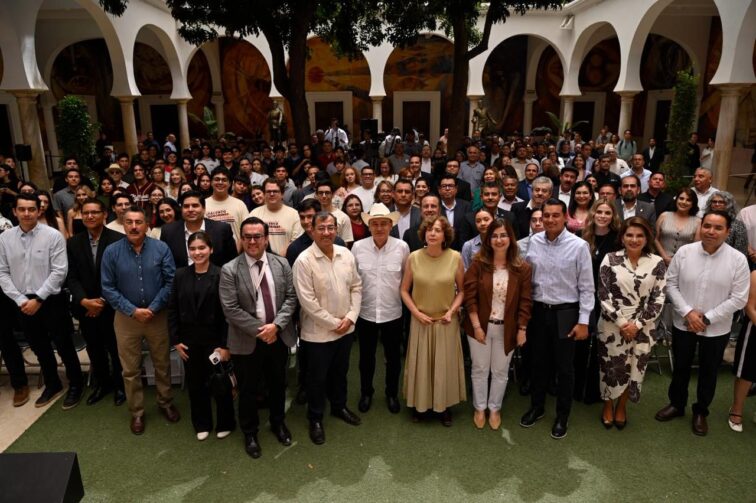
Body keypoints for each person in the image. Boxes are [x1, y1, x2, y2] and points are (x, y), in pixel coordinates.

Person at [655, 211, 749, 436]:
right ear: (701, 227)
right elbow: (670, 284)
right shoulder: (684, 252)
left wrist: (707, 318)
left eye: (718, 228)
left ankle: (701, 411)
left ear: (727, 231)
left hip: (716, 328)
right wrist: (688, 313)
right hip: (684, 323)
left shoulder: (738, 259)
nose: (711, 231)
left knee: (709, 371)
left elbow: (739, 298)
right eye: (707, 226)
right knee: (681, 367)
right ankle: (677, 404)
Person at [218, 218, 297, 457]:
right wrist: (262, 330)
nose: (252, 241)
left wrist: (276, 326)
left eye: (257, 236)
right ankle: (250, 432)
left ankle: (278, 423)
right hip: (247, 340)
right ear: (241, 239)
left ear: (266, 239)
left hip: (278, 337)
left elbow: (291, 298)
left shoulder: (282, 263)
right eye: (247, 237)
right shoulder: (230, 269)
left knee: (278, 385)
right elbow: (230, 309)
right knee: (248, 389)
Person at [0, 194, 84, 409]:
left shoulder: (52, 236)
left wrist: (38, 299)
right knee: (39, 346)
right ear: (15, 212)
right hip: (22, 303)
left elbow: (59, 271)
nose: (27, 213)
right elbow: (2, 273)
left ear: (39, 211)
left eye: (31, 209)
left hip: (51, 299)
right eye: (22, 209)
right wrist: (20, 299)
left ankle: (76, 384)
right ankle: (53, 383)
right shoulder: (5, 238)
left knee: (64, 344)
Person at [101, 205, 179, 435]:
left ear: (147, 225)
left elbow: (171, 281)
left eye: (138, 222)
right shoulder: (111, 252)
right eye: (129, 222)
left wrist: (152, 308)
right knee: (130, 369)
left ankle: (165, 402)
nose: (134, 226)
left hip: (157, 316)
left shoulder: (161, 248)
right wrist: (133, 310)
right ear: (123, 224)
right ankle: (137, 412)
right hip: (126, 319)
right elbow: (107, 287)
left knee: (162, 363)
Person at [520, 198, 594, 440]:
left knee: (564, 368)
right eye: (546, 216)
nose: (550, 220)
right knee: (538, 363)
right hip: (539, 312)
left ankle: (562, 415)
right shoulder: (534, 242)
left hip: (566, 313)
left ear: (565, 218)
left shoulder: (579, 246)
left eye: (555, 215)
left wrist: (583, 321)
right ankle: (537, 407)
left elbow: (587, 287)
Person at [293, 212, 363, 445]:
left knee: (340, 372)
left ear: (336, 230)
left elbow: (356, 287)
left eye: (331, 228)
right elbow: (308, 302)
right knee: (317, 378)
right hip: (318, 334)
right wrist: (335, 324)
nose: (326, 232)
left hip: (346, 329)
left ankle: (339, 406)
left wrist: (351, 318)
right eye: (321, 228)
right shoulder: (304, 260)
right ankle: (315, 418)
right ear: (312, 230)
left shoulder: (346, 254)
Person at [597, 217, 666, 429]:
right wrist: (622, 323)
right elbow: (603, 294)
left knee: (635, 368)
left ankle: (622, 406)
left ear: (647, 238)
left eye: (639, 235)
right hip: (612, 325)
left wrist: (637, 324)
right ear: (622, 237)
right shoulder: (610, 259)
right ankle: (608, 404)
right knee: (610, 367)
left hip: (643, 327)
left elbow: (659, 298)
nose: (634, 239)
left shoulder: (657, 262)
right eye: (629, 235)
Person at [463, 218, 532, 430]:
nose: (499, 240)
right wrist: (476, 326)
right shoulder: (478, 264)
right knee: (480, 368)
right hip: (480, 326)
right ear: (488, 239)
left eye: (503, 235)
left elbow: (525, 301)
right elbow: (470, 298)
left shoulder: (522, 268)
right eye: (494, 236)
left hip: (507, 328)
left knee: (501, 371)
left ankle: (494, 408)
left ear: (511, 238)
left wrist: (522, 328)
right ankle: (479, 407)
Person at [401, 215, 466, 426]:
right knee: (421, 366)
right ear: (424, 234)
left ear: (445, 235)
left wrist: (452, 312)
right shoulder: (413, 257)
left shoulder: (455, 257)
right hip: (421, 321)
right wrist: (416, 313)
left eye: (437, 230)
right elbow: (404, 290)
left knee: (444, 366)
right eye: (429, 229)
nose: (432, 233)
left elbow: (462, 291)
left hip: (446, 322)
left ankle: (443, 407)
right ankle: (420, 406)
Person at [66, 198, 125, 406]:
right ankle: (103, 384)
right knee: (94, 347)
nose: (90, 216)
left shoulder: (118, 240)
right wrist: (84, 300)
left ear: (104, 214)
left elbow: (121, 275)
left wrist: (101, 301)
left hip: (111, 306)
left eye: (95, 212)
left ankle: (120, 385)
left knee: (115, 348)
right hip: (85, 307)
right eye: (86, 213)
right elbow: (71, 276)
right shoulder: (73, 242)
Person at [351, 204, 408, 414]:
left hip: (393, 312)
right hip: (365, 312)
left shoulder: (402, 247)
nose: (380, 227)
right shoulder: (358, 247)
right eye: (375, 224)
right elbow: (353, 280)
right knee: (366, 358)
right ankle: (366, 393)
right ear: (369, 226)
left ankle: (391, 394)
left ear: (391, 225)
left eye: (384, 223)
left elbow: (406, 279)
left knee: (393, 358)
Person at [160, 191, 237, 268]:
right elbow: (164, 263)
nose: (190, 209)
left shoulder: (221, 229)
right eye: (186, 206)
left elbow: (232, 262)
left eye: (195, 205)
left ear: (204, 208)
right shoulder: (168, 231)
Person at [728, 269, 756, 432]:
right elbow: (749, 307)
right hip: (754, 330)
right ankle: (736, 410)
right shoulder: (755, 275)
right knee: (747, 372)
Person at [250, 178, 301, 256]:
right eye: (268, 191)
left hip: (287, 260)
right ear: (264, 193)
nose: (272, 194)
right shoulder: (254, 214)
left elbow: (296, 240)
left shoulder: (294, 214)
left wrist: (279, 259)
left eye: (275, 191)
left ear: (282, 194)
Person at [654, 187, 700, 266]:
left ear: (693, 203)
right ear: (676, 200)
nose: (684, 202)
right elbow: (655, 239)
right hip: (659, 261)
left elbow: (696, 246)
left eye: (688, 200)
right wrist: (665, 257)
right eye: (681, 198)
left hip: (684, 264)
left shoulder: (698, 222)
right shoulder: (664, 216)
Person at [204, 167, 248, 246]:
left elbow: (246, 230)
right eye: (217, 179)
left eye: (224, 180)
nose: (220, 182)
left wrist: (235, 251)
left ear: (230, 184)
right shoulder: (203, 204)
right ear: (211, 182)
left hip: (236, 251)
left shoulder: (240, 204)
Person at [704, 191, 749, 258]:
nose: (717, 204)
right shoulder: (704, 221)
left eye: (721, 202)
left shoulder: (738, 225)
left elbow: (741, 251)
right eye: (714, 202)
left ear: (729, 205)